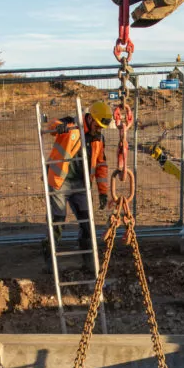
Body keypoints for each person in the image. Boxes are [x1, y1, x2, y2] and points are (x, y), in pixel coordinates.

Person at [43, 99, 113, 273]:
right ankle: (49, 258)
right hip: (60, 180)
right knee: (57, 220)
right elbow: (53, 125)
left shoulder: (98, 139)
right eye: (97, 126)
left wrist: (103, 192)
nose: (99, 129)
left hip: (81, 183)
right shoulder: (71, 125)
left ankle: (89, 263)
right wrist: (58, 127)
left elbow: (101, 165)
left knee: (87, 221)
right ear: (90, 119)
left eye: (101, 127)